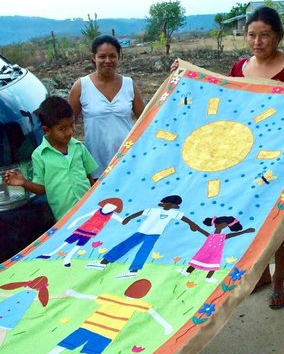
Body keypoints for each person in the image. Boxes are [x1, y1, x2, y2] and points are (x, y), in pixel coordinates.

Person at [171, 6, 284, 309]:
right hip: (246, 159)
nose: (257, 42)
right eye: (252, 35)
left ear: (278, 36)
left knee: (281, 220)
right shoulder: (239, 68)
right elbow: (225, 105)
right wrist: (186, 76)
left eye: (265, 35)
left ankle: (279, 279)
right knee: (252, 216)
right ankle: (261, 274)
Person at [21, 279, 173, 354]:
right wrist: (167, 326)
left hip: (89, 326)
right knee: (88, 353)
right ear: (144, 294)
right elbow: (154, 314)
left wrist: (75, 294)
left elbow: (89, 297)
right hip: (107, 332)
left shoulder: (110, 298)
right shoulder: (141, 304)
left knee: (65, 345)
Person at [4, 97, 98, 221]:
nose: (70, 132)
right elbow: (42, 189)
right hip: (64, 218)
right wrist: (24, 183)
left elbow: (89, 177)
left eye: (72, 125)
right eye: (62, 129)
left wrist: (97, 198)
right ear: (46, 130)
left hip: (89, 209)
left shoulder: (79, 147)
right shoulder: (39, 155)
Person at [69, 35, 145, 179]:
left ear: (119, 58)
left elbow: (146, 119)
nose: (108, 61)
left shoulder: (129, 84)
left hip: (128, 159)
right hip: (96, 163)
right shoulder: (81, 86)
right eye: (102, 56)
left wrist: (176, 74)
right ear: (93, 58)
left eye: (112, 56)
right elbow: (67, 124)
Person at [86, 195, 200, 278]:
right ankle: (104, 262)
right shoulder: (153, 210)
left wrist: (192, 225)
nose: (168, 205)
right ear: (163, 203)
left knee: (144, 251)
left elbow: (186, 220)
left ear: (175, 206)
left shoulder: (174, 213)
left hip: (154, 234)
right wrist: (128, 218)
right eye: (166, 203)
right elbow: (140, 213)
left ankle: (133, 270)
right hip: (142, 231)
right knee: (124, 246)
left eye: (171, 205)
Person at [178, 216, 255, 283]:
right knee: (197, 261)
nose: (221, 226)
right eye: (221, 224)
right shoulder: (211, 235)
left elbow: (233, 234)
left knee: (213, 265)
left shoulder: (222, 236)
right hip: (205, 251)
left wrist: (245, 231)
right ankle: (187, 272)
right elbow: (200, 230)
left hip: (215, 253)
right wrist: (196, 227)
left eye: (224, 225)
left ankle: (208, 278)